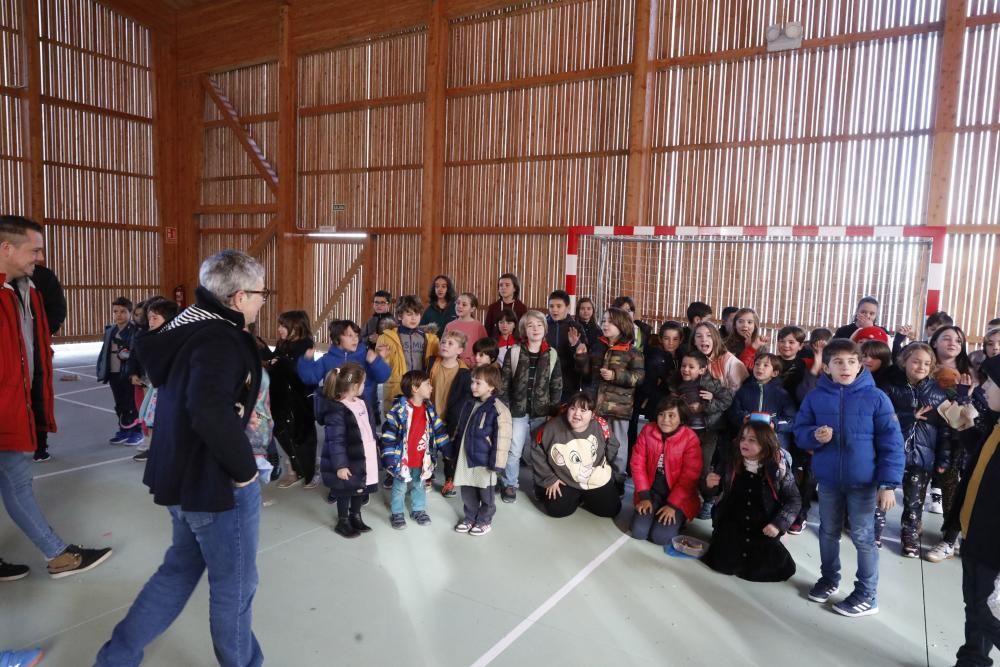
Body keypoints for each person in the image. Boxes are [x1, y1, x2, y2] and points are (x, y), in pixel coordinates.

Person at [95, 250, 269, 666]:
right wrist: (244, 472)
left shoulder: (188, 326)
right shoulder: (220, 338)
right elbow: (207, 408)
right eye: (261, 293)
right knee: (236, 586)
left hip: (180, 476)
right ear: (239, 296)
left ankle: (115, 658)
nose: (264, 301)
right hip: (214, 484)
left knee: (178, 571)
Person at [0, 215, 112, 582]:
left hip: (17, 406)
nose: (39, 257)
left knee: (15, 483)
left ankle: (56, 553)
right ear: (7, 248)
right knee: (17, 485)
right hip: (5, 410)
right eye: (34, 250)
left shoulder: (27, 291)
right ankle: (58, 554)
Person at [794, 338, 905, 618]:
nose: (846, 367)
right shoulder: (816, 397)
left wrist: (888, 484)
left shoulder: (876, 397)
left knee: (863, 537)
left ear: (860, 365)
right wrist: (814, 436)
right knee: (828, 532)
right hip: (829, 481)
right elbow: (800, 431)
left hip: (864, 483)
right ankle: (829, 578)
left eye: (852, 361)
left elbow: (892, 443)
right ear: (827, 367)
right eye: (838, 362)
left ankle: (867, 594)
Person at [874, 343, 948, 556]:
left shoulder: (937, 393)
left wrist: (942, 458)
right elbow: (881, 418)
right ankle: (875, 531)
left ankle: (910, 534)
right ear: (904, 361)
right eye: (916, 361)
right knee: (882, 497)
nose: (921, 366)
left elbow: (944, 430)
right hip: (891, 454)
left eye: (927, 363)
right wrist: (909, 416)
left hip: (921, 456)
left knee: (914, 501)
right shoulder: (889, 388)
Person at [702, 422, 800, 582]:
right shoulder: (730, 461)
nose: (744, 443)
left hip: (763, 526)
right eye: (743, 438)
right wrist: (709, 485)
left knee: (769, 568)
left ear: (765, 443)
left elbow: (794, 500)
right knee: (722, 562)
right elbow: (713, 493)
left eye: (752, 440)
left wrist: (778, 524)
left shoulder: (777, 468)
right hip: (733, 523)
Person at [951, 355, 1000, 666]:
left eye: (992, 383)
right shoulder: (996, 423)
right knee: (974, 604)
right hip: (973, 532)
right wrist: (965, 427)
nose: (984, 389)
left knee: (985, 608)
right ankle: (972, 659)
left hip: (992, 544)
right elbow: (983, 461)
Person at [574, 306, 644, 484]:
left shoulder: (632, 352)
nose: (605, 324)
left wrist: (615, 376)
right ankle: (594, 477)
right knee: (594, 442)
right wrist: (581, 357)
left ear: (621, 325)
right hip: (596, 405)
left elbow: (639, 377)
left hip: (619, 409)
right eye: (604, 320)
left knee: (618, 444)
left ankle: (618, 480)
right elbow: (586, 374)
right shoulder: (598, 346)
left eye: (610, 321)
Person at [500, 310, 563, 503]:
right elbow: (504, 383)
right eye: (530, 325)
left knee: (539, 451)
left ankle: (541, 483)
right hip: (517, 411)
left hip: (542, 412)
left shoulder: (551, 354)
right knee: (515, 449)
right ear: (523, 330)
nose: (535, 329)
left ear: (544, 328)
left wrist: (553, 412)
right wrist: (506, 407)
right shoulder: (515, 351)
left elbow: (556, 384)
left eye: (539, 325)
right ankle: (510, 484)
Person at [531, 392, 621, 518]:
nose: (576, 414)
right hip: (565, 479)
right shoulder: (552, 426)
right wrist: (549, 478)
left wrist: (604, 466)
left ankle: (585, 497)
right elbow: (536, 448)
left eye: (583, 410)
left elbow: (613, 445)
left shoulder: (601, 425)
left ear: (592, 415)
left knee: (611, 510)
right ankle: (545, 491)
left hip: (593, 478)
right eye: (573, 408)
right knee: (556, 510)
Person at [448, 364, 512, 536]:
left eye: (478, 383)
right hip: (466, 457)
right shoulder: (469, 403)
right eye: (472, 382)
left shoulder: (499, 408)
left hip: (484, 461)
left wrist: (497, 464)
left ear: (491, 386)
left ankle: (484, 521)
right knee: (467, 490)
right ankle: (470, 517)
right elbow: (460, 428)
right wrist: (453, 450)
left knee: (486, 494)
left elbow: (503, 439)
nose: (473, 386)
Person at [317, 362, 379, 539]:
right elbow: (335, 440)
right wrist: (340, 465)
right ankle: (343, 521)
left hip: (364, 454)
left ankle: (356, 516)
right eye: (363, 383)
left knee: (360, 487)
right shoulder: (337, 409)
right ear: (354, 386)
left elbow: (369, 427)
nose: (364, 387)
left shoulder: (361, 402)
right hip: (348, 457)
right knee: (345, 490)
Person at [381, 370, 449, 529]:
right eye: (427, 384)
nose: (431, 387)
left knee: (420, 485)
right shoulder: (399, 411)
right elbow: (389, 436)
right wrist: (389, 458)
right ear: (415, 388)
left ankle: (418, 510)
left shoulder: (429, 410)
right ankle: (397, 513)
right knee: (399, 488)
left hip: (421, 459)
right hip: (402, 460)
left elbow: (438, 430)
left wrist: (446, 447)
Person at [629, 397, 701, 545]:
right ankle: (652, 514)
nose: (665, 420)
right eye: (661, 414)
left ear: (681, 418)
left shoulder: (690, 438)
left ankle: (679, 519)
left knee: (660, 538)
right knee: (638, 532)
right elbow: (637, 464)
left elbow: (690, 476)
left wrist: (673, 506)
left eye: (671, 415)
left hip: (677, 498)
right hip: (651, 493)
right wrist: (644, 497)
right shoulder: (648, 430)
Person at [269, 311, 318, 489]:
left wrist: (279, 363)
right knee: (282, 431)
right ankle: (292, 470)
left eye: (284, 326)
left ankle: (308, 471)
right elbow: (276, 362)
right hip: (280, 396)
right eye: (280, 325)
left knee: (301, 434)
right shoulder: (283, 344)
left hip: (298, 399)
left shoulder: (305, 345)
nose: (280, 329)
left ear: (296, 327)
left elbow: (301, 373)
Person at [22, 261, 64, 462]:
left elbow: (57, 310)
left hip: (35, 348)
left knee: (37, 394)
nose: (37, 255)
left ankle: (40, 443)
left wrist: (41, 335)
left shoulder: (42, 277)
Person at [376, 295, 440, 414]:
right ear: (400, 315)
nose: (414, 318)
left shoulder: (430, 339)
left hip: (420, 388)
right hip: (397, 389)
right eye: (409, 314)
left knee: (418, 423)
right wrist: (381, 358)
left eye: (417, 314)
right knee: (394, 425)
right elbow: (379, 368)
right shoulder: (386, 338)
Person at [97, 296, 143, 446]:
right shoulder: (110, 330)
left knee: (133, 403)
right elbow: (104, 352)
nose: (119, 315)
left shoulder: (135, 331)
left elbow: (136, 354)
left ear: (130, 313)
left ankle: (137, 431)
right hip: (113, 373)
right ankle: (123, 429)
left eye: (123, 311)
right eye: (116, 311)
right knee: (120, 403)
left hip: (128, 373)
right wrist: (102, 369)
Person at [430, 330, 471, 498]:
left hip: (450, 419)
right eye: (443, 342)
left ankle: (449, 479)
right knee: (428, 448)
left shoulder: (464, 372)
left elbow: (464, 399)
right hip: (431, 415)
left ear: (460, 350)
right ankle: (427, 476)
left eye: (450, 343)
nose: (445, 345)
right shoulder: (432, 364)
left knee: (449, 452)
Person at [728, 354, 796, 451]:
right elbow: (733, 413)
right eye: (757, 364)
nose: (760, 367)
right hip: (749, 444)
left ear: (775, 373)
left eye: (765, 365)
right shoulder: (744, 390)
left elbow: (792, 421)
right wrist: (743, 419)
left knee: (771, 465)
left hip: (774, 445)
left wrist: (775, 424)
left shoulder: (782, 394)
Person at [692, 321, 748, 391]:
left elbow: (738, 393)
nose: (704, 339)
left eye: (709, 335)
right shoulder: (691, 359)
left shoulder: (730, 361)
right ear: (694, 341)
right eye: (699, 336)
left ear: (716, 338)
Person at [546, 289, 579, 397]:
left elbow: (583, 357)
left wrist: (575, 345)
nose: (554, 310)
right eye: (551, 306)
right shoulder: (543, 326)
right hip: (546, 379)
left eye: (559, 306)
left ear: (568, 307)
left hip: (568, 381)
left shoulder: (575, 327)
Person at [443, 292, 488, 368]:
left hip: (472, 368)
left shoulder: (478, 326)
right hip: (452, 366)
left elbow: (485, 348)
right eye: (458, 303)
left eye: (464, 304)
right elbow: (443, 345)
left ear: (472, 309)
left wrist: (474, 360)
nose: (459, 306)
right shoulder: (449, 325)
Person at [484, 273, 527, 337]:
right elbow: (488, 329)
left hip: (516, 344)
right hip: (495, 343)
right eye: (501, 285)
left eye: (507, 285)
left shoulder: (521, 308)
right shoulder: (493, 307)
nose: (503, 288)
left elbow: (524, 329)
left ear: (514, 288)